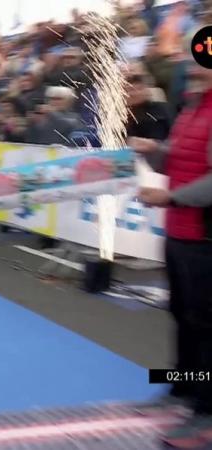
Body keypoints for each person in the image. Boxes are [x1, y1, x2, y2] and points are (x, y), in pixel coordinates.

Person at [129, 53, 212, 449]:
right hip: (179, 234)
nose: (193, 70)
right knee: (182, 315)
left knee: (207, 325)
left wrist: (171, 197)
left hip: (204, 238)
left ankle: (207, 414)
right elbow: (177, 161)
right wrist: (151, 150)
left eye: (203, 64)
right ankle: (182, 389)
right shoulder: (191, 109)